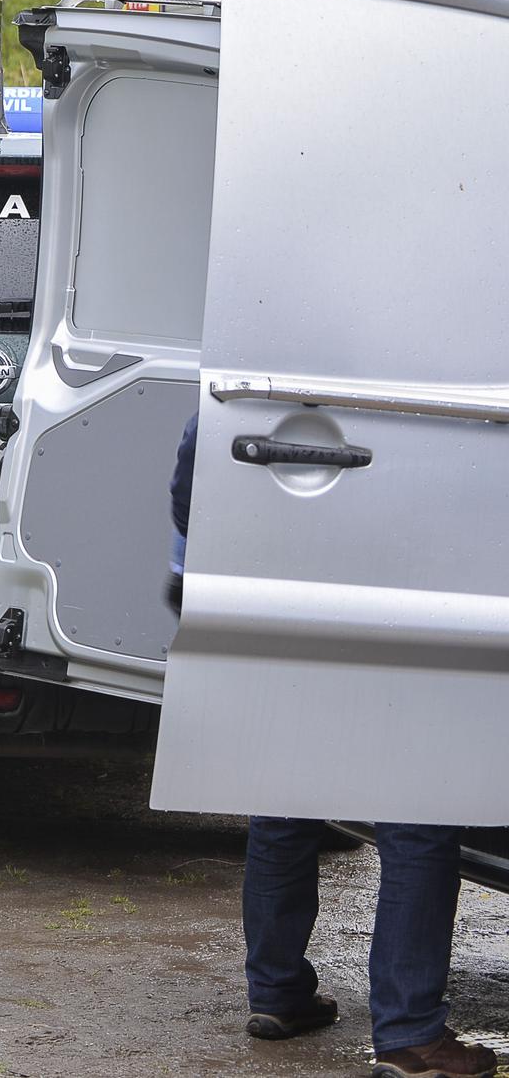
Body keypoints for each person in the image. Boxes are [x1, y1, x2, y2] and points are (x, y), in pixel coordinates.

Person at [167, 414, 495, 1078]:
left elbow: (193, 464)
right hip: (415, 588)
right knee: (418, 804)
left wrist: (205, 561)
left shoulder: (275, 348)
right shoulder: (431, 357)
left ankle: (278, 991)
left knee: (286, 791)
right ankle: (409, 1034)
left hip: (289, 586)